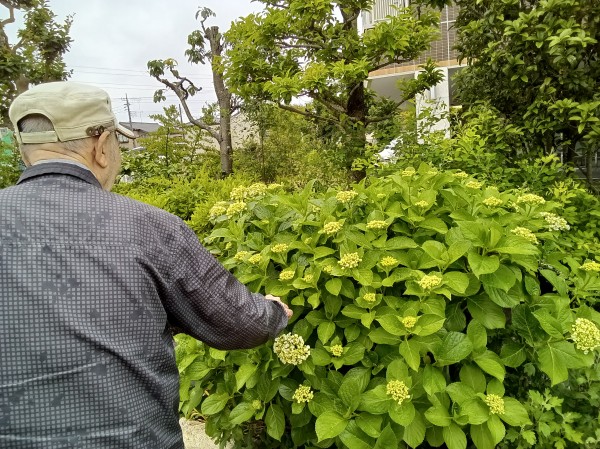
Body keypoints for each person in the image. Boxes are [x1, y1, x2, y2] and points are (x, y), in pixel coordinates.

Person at [0, 81, 292, 448]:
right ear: (101, 146)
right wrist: (272, 312)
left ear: (25, 151)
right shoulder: (150, 228)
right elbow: (237, 323)